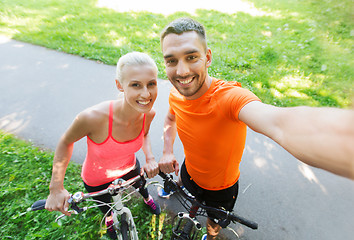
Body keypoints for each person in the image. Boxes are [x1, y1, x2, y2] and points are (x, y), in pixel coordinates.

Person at [157, 18, 354, 240]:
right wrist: (166, 150)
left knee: (214, 224)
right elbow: (170, 118)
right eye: (171, 61)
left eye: (191, 57)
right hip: (189, 171)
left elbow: (280, 124)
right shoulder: (177, 94)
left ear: (208, 57)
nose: (181, 72)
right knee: (183, 181)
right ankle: (176, 186)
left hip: (221, 188)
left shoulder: (230, 98)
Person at [45, 52, 161, 240]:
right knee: (106, 207)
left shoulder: (149, 113)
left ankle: (147, 199)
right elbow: (66, 141)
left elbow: (145, 134)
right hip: (97, 178)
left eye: (151, 84)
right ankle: (109, 221)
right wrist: (56, 188)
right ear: (119, 85)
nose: (146, 94)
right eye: (135, 85)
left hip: (130, 167)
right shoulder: (92, 118)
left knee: (142, 186)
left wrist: (150, 158)